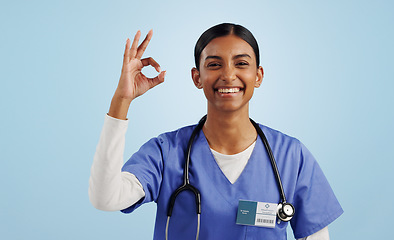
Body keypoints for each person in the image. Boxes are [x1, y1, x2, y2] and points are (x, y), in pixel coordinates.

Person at [89, 23, 343, 240]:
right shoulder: (166, 152)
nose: (228, 75)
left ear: (258, 75)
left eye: (241, 63)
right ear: (197, 78)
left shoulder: (291, 157)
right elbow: (105, 198)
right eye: (214, 65)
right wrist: (121, 101)